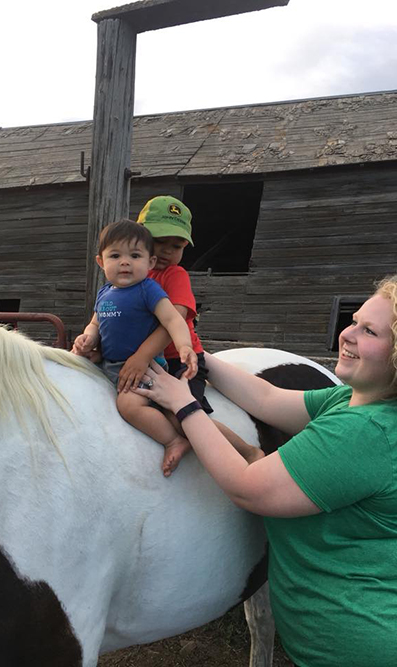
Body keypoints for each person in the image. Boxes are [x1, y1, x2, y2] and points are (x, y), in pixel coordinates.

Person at [134, 276, 397, 667]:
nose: (348, 334)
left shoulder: (364, 433)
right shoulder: (352, 400)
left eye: (369, 331)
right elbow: (267, 397)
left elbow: (246, 488)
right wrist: (195, 355)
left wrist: (183, 403)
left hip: (357, 645)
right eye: (354, 320)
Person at [118, 195, 262, 465]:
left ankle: (249, 452)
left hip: (177, 360)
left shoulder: (175, 276)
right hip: (142, 357)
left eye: (177, 245)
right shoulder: (129, 275)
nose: (167, 251)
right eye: (158, 241)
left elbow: (174, 320)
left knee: (183, 416)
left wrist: (140, 357)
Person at [72, 219, 198, 476]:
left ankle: (173, 440)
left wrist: (184, 345)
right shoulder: (105, 292)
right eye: (115, 255)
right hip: (108, 365)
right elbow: (95, 324)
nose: (125, 262)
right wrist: (87, 338)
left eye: (135, 255)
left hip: (144, 370)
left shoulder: (148, 290)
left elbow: (173, 318)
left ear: (150, 263)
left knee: (128, 406)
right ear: (101, 262)